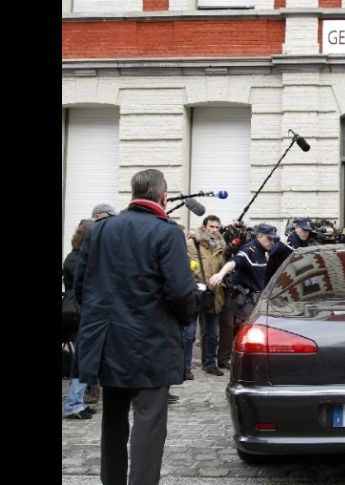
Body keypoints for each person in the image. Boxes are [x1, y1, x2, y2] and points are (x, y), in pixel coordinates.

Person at [74, 169, 197, 485]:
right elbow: (182, 291)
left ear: (133, 194)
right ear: (163, 196)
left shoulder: (100, 230)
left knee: (113, 419)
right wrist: (183, 321)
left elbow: (81, 286)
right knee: (149, 421)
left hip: (109, 341)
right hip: (150, 343)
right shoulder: (166, 232)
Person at [185, 215, 227, 378]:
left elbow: (223, 266)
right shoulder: (192, 243)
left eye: (217, 227)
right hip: (195, 291)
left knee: (212, 332)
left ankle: (210, 363)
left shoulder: (222, 245)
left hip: (214, 292)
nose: (214, 230)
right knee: (189, 332)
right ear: (204, 226)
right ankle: (185, 366)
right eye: (211, 227)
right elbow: (185, 263)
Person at [62, 218, 95, 420]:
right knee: (82, 359)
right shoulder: (75, 259)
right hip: (76, 316)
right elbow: (83, 285)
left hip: (84, 313)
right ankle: (74, 403)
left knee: (85, 358)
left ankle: (78, 401)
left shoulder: (82, 257)